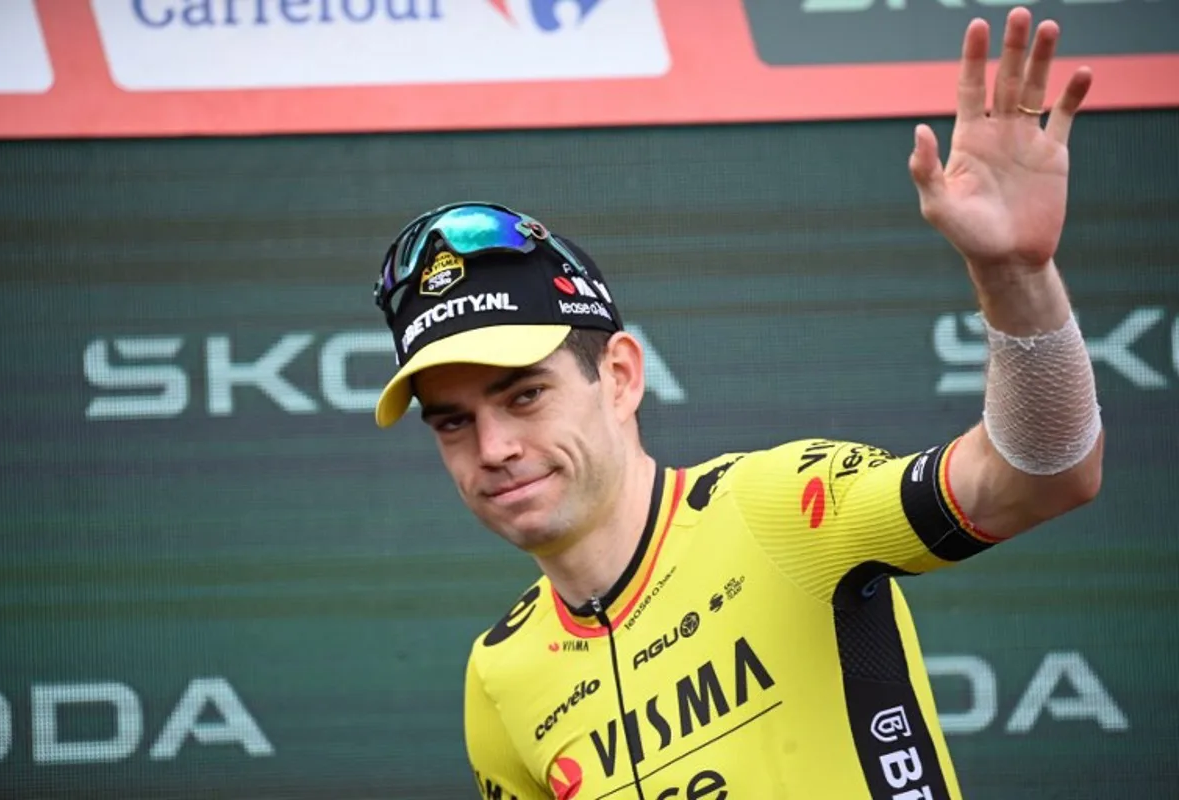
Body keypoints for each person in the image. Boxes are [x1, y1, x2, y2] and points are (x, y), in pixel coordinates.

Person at [371, 7, 1104, 798]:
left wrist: (1015, 275)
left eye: (525, 396)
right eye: (453, 422)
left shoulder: (778, 509)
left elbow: (1040, 477)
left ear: (619, 376)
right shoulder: (499, 676)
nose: (493, 447)